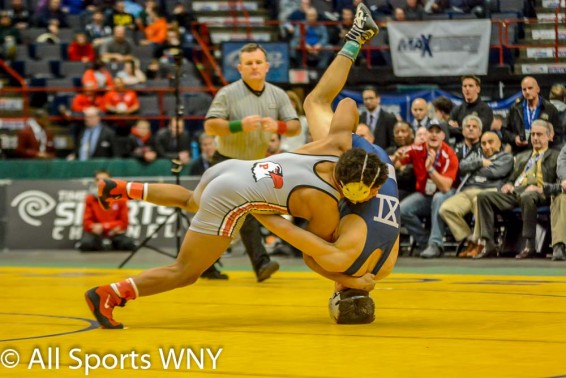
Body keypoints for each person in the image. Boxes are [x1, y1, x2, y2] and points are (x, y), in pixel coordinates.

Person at [85, 3, 386, 328]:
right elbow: (311, 255)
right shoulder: (325, 206)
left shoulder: (338, 142)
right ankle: (110, 293)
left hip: (234, 168)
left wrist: (355, 138)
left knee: (190, 200)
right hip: (234, 191)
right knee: (185, 273)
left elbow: (346, 103)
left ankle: (120, 188)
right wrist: (353, 282)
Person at [203, 42, 302, 282]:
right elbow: (210, 125)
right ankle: (260, 263)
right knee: (241, 212)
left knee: (238, 214)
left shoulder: (277, 95)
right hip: (225, 160)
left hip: (255, 165)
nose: (254, 67)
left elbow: (295, 126)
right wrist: (238, 126)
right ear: (240, 68)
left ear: (267, 66)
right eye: (249, 63)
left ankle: (209, 263)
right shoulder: (227, 93)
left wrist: (277, 126)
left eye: (258, 62)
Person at [475, 120, 559, 259]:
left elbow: (559, 181)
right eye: (533, 134)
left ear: (550, 136)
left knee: (527, 196)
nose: (535, 138)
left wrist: (542, 188)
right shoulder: (521, 156)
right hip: (516, 192)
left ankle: (529, 245)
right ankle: (488, 244)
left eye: (539, 134)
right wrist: (508, 185)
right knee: (483, 196)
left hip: (539, 194)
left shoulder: (556, 156)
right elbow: (512, 178)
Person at [439, 131, 513, 258]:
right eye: (483, 143)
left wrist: (475, 169)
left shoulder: (506, 157)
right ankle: (471, 240)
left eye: (491, 142)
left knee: (478, 200)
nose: (487, 146)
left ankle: (481, 243)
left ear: (499, 143)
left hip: (488, 191)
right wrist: (480, 163)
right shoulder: (476, 155)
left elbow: (495, 172)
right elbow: (461, 166)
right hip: (468, 190)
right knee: (446, 209)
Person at [393, 120, 459, 258]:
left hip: (447, 195)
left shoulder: (449, 155)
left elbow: (445, 187)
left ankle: (435, 244)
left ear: (443, 136)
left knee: (438, 197)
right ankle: (425, 242)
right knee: (402, 209)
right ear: (426, 134)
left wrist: (430, 170)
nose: (434, 135)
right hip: (425, 194)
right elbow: (397, 161)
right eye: (431, 131)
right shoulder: (417, 148)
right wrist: (395, 159)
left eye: (437, 132)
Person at [79, 170, 137, 252]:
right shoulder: (90, 199)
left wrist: (105, 226)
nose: (100, 182)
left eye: (104, 180)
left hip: (115, 233)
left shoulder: (120, 198)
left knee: (128, 244)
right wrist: (94, 227)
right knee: (86, 244)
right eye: (98, 180)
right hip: (96, 234)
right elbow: (87, 222)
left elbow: (124, 222)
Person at [503, 76, 560, 153]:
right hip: (520, 153)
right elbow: (504, 130)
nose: (527, 92)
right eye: (524, 89)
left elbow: (558, 134)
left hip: (544, 152)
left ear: (538, 89)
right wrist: (514, 138)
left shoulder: (549, 109)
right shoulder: (515, 108)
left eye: (530, 88)